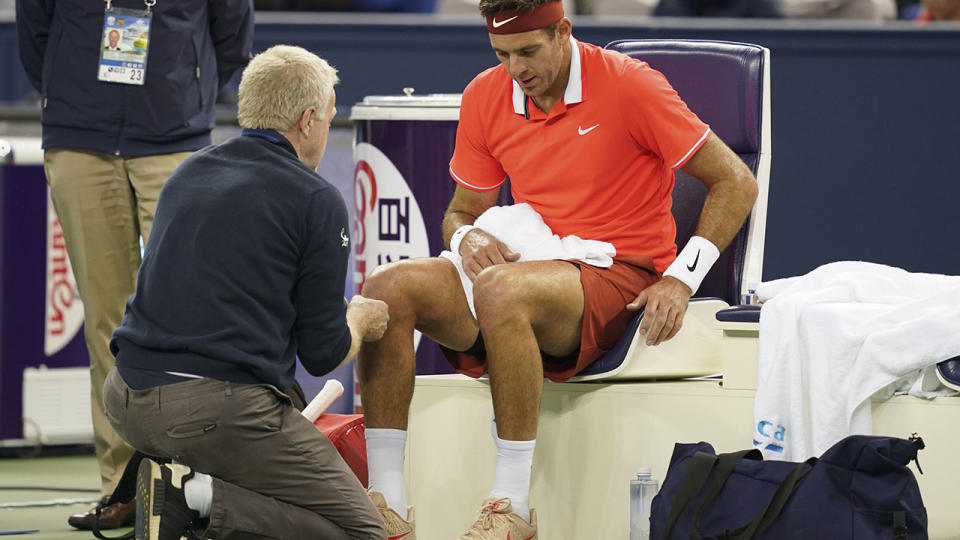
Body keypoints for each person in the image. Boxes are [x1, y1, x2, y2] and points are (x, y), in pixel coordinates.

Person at [357, 0, 759, 538]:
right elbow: (461, 212)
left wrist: (682, 279)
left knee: (501, 289)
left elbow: (737, 182)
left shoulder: (632, 86)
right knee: (387, 287)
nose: (516, 69)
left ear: (562, 32)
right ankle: (384, 506)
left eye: (528, 51)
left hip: (621, 274)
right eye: (502, 54)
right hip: (536, 267)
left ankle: (512, 507)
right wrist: (465, 236)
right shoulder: (486, 93)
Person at [102, 45, 391, 540]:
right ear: (307, 120)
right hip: (212, 412)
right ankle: (195, 498)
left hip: (126, 397)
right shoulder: (315, 198)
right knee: (365, 531)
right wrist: (360, 320)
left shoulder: (189, 171)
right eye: (329, 116)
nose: (327, 128)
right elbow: (324, 353)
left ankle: (191, 505)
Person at [16, 0, 253, 530]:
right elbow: (35, 28)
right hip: (79, 139)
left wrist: (185, 93)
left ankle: (197, 488)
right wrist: (69, 89)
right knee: (106, 322)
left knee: (192, 319)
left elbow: (231, 32)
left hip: (174, 139)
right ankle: (122, 488)